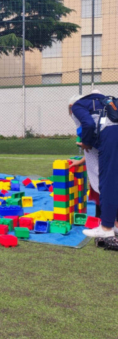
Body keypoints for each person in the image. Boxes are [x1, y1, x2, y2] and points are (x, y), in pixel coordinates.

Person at [71, 92, 118, 238]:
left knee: (108, 183)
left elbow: (89, 124)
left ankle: (106, 228)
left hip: (111, 137)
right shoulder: (107, 101)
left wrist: (86, 141)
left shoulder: (77, 106)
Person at [68, 94, 101, 218]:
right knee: (98, 191)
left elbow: (95, 147)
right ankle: (103, 221)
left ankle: (106, 224)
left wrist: (85, 143)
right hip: (97, 165)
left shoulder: (89, 123)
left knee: (102, 191)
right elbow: (93, 151)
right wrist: (81, 161)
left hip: (102, 167)